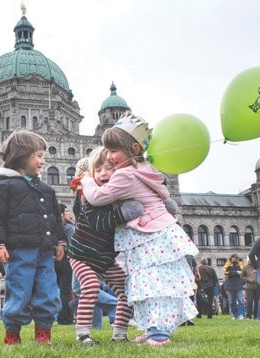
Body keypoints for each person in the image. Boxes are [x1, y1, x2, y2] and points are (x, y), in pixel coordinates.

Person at [81, 112, 199, 346]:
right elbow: (163, 193)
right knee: (152, 283)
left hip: (148, 236)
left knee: (149, 283)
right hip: (158, 234)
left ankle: (158, 335)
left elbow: (97, 197)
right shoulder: (146, 168)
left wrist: (86, 180)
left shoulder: (125, 175)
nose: (110, 157)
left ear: (134, 147)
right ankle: (153, 328)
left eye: (113, 151)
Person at [0, 130, 65, 345]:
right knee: (19, 293)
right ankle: (12, 334)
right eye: (38, 155)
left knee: (48, 293)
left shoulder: (46, 190)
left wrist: (59, 241)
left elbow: (56, 218)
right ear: (21, 155)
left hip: (45, 253)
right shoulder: (1, 187)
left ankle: (43, 334)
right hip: (20, 252)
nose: (43, 161)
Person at [69, 147, 143, 344]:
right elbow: (98, 223)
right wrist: (123, 214)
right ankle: (83, 333)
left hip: (105, 258)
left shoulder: (121, 195)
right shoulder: (91, 196)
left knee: (126, 290)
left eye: (109, 168)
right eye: (98, 169)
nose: (103, 174)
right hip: (81, 255)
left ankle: (120, 333)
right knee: (91, 286)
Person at [55, 204, 75, 325]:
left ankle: (61, 316)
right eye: (67, 211)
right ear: (61, 214)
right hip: (66, 261)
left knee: (58, 290)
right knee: (66, 291)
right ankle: (65, 318)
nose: (69, 214)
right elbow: (72, 244)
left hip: (55, 261)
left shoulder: (53, 228)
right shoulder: (68, 227)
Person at [222, 253, 245, 320]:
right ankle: (234, 315)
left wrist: (231, 273)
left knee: (240, 300)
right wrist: (236, 272)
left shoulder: (240, 263)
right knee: (232, 301)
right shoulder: (227, 264)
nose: (235, 259)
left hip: (238, 284)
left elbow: (242, 272)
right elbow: (225, 272)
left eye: (236, 258)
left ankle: (241, 314)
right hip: (230, 285)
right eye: (234, 257)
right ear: (231, 258)